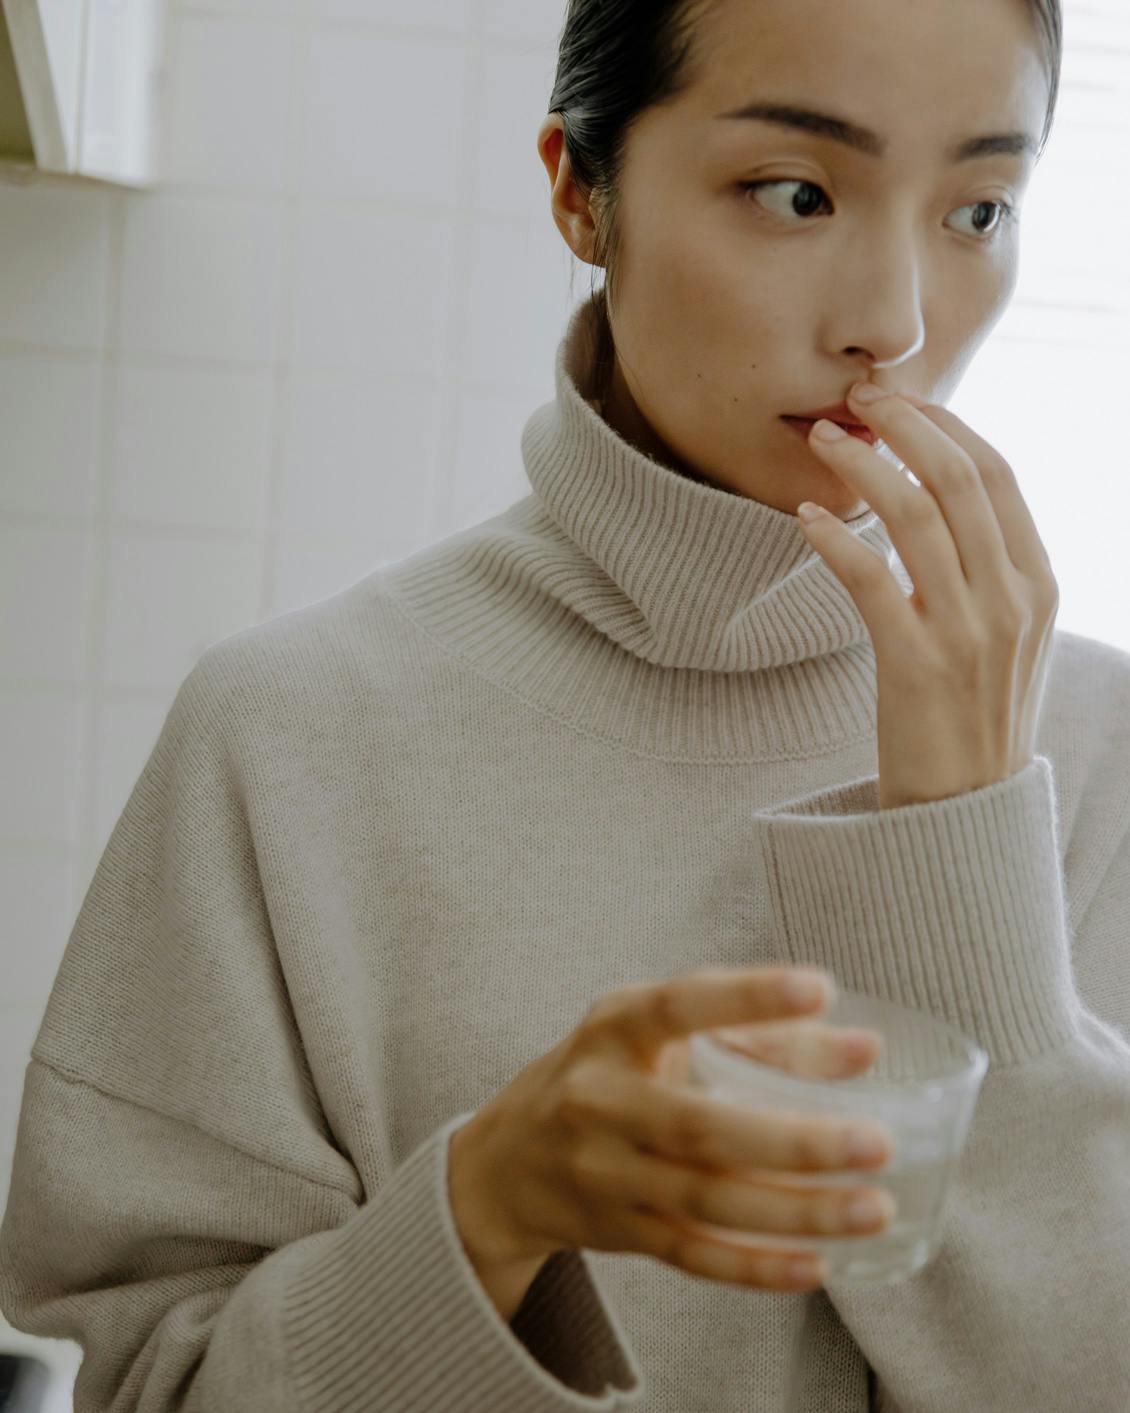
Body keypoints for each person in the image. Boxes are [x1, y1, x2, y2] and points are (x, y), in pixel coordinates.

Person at [3, 0, 1129, 1409]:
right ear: (579, 192)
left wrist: (963, 862)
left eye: (977, 211)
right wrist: (487, 1210)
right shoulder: (283, 733)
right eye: (796, 193)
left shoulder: (1098, 756)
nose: (893, 323)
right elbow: (149, 1391)